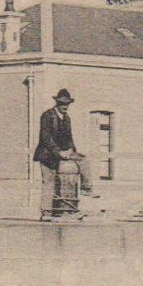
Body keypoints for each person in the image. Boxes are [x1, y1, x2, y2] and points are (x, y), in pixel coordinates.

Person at [32, 88, 95, 219]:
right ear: (57, 103)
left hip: (63, 153)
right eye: (62, 103)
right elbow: (46, 137)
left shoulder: (67, 118)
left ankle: (86, 188)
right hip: (47, 154)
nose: (65, 106)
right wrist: (58, 152)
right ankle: (46, 212)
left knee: (83, 160)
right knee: (48, 181)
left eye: (67, 104)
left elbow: (69, 137)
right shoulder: (47, 115)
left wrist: (71, 150)